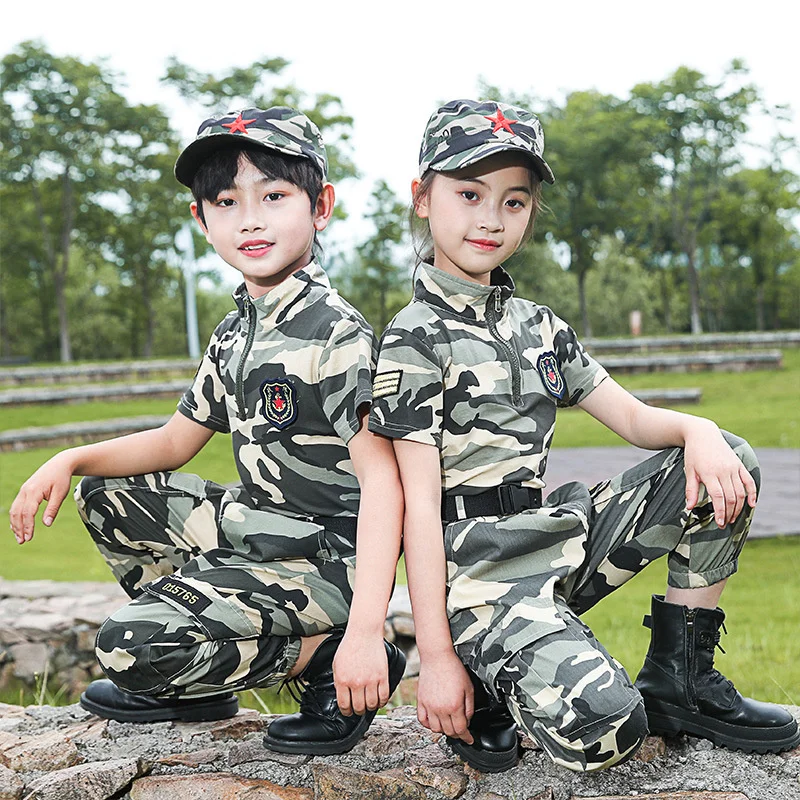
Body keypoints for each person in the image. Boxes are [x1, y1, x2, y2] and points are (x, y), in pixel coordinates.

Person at [368, 98, 800, 773]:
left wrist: (700, 428)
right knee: (606, 730)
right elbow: (415, 507)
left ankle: (681, 676)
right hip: (476, 579)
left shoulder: (540, 328)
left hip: (552, 538)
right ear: (423, 198)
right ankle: (487, 678)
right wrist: (438, 659)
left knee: (727, 460)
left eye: (514, 202)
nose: (490, 217)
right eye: (469, 193)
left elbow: (632, 420)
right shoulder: (413, 338)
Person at [9, 107, 405, 755]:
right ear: (202, 219)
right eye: (226, 201)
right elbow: (174, 441)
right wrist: (72, 457)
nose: (249, 218)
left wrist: (365, 628)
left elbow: (386, 487)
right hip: (259, 529)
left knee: (127, 646)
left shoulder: (333, 334)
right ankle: (201, 676)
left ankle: (321, 661)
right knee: (109, 492)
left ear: (321, 206)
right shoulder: (238, 328)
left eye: (274, 196)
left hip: (330, 560)